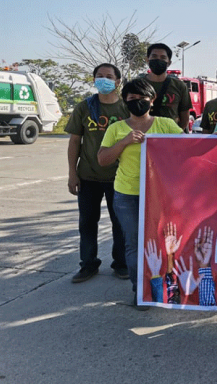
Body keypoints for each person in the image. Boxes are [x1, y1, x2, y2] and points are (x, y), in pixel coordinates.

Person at [97, 78, 183, 308]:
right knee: (134, 244)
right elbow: (103, 159)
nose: (137, 102)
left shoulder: (165, 124)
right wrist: (124, 142)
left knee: (164, 242)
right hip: (128, 194)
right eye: (132, 99)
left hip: (161, 194)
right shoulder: (117, 128)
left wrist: (215, 137)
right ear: (125, 101)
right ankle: (141, 291)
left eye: (142, 98)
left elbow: (189, 146)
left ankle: (166, 287)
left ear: (152, 100)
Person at [66, 63, 130, 283]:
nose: (104, 80)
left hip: (119, 178)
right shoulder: (85, 107)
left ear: (118, 81)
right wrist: (72, 173)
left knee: (120, 223)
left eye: (109, 76)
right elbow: (75, 141)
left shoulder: (126, 109)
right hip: (88, 176)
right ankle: (88, 264)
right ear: (93, 80)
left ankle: (121, 263)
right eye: (100, 76)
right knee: (87, 223)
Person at [144, 43, 193, 131]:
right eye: (154, 56)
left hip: (170, 138)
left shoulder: (179, 85)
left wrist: (174, 135)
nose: (158, 60)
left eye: (163, 58)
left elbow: (184, 117)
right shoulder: (137, 84)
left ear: (169, 63)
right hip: (143, 138)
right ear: (147, 59)